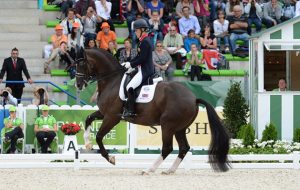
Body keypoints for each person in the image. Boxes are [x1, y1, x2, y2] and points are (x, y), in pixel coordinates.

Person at [120, 19, 154, 118]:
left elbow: (142, 59)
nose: (135, 32)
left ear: (142, 30)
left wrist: (131, 65)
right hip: (141, 68)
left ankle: (131, 111)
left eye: (136, 30)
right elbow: (138, 57)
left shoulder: (145, 42)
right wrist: (129, 63)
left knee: (129, 87)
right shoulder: (142, 41)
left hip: (145, 70)